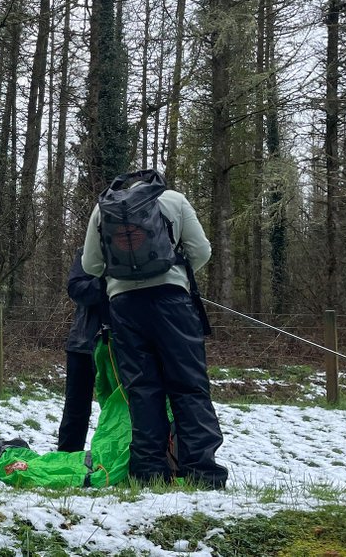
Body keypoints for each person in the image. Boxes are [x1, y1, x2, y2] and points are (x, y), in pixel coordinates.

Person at [81, 169, 228, 489]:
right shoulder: (174, 200)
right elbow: (202, 251)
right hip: (172, 302)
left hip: (124, 307)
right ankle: (202, 473)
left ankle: (148, 473)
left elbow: (91, 266)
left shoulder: (102, 207)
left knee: (142, 390)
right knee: (189, 386)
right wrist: (174, 273)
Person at [57, 247, 109, 453]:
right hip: (83, 342)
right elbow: (77, 290)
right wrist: (110, 283)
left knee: (124, 406)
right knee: (75, 409)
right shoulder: (87, 252)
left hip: (124, 344)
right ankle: (67, 459)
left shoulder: (141, 250)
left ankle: (122, 458)